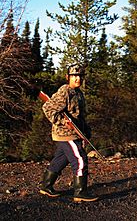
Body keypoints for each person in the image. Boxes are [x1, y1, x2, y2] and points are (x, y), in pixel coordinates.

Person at [39, 64, 98, 202]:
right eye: (74, 76)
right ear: (68, 77)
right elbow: (47, 108)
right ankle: (80, 193)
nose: (77, 79)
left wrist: (85, 130)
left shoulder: (79, 94)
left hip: (74, 133)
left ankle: (46, 186)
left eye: (80, 76)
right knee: (80, 159)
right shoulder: (65, 91)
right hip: (65, 133)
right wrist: (62, 121)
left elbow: (79, 116)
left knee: (61, 159)